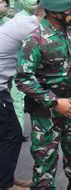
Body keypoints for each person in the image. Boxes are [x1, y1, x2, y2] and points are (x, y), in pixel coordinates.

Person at [15, 0, 71, 190]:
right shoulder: (35, 39)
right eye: (70, 9)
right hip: (46, 110)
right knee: (45, 156)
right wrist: (54, 102)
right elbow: (24, 79)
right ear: (54, 13)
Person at [0, 14, 41, 190]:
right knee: (11, 135)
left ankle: (5, 178)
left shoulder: (20, 20)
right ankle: (5, 184)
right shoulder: (30, 29)